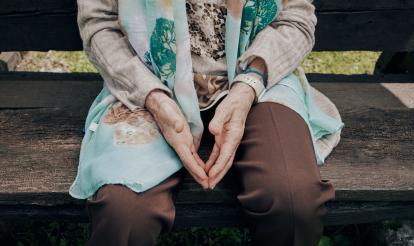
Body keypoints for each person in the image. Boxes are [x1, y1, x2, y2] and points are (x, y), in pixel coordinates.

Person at [69, 0, 344, 245]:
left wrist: (248, 86)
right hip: (147, 78)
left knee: (293, 200)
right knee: (124, 213)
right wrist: (154, 98)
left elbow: (296, 19)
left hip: (258, 77)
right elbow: (100, 25)